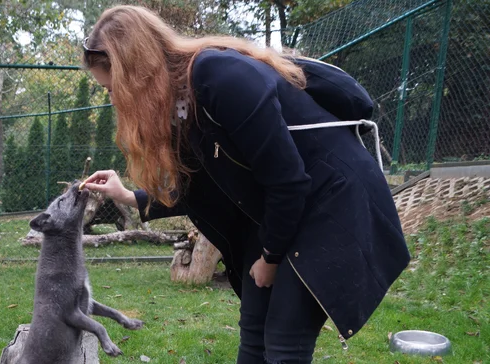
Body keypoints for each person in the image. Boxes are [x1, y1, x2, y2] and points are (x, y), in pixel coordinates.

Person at [80, 5, 411, 364]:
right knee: (254, 329)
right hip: (281, 208)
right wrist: (129, 196)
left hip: (330, 202)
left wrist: (269, 258)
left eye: (113, 87)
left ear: (136, 71)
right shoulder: (179, 105)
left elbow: (288, 180)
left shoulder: (218, 75)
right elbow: (196, 187)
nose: (112, 98)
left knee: (285, 339)